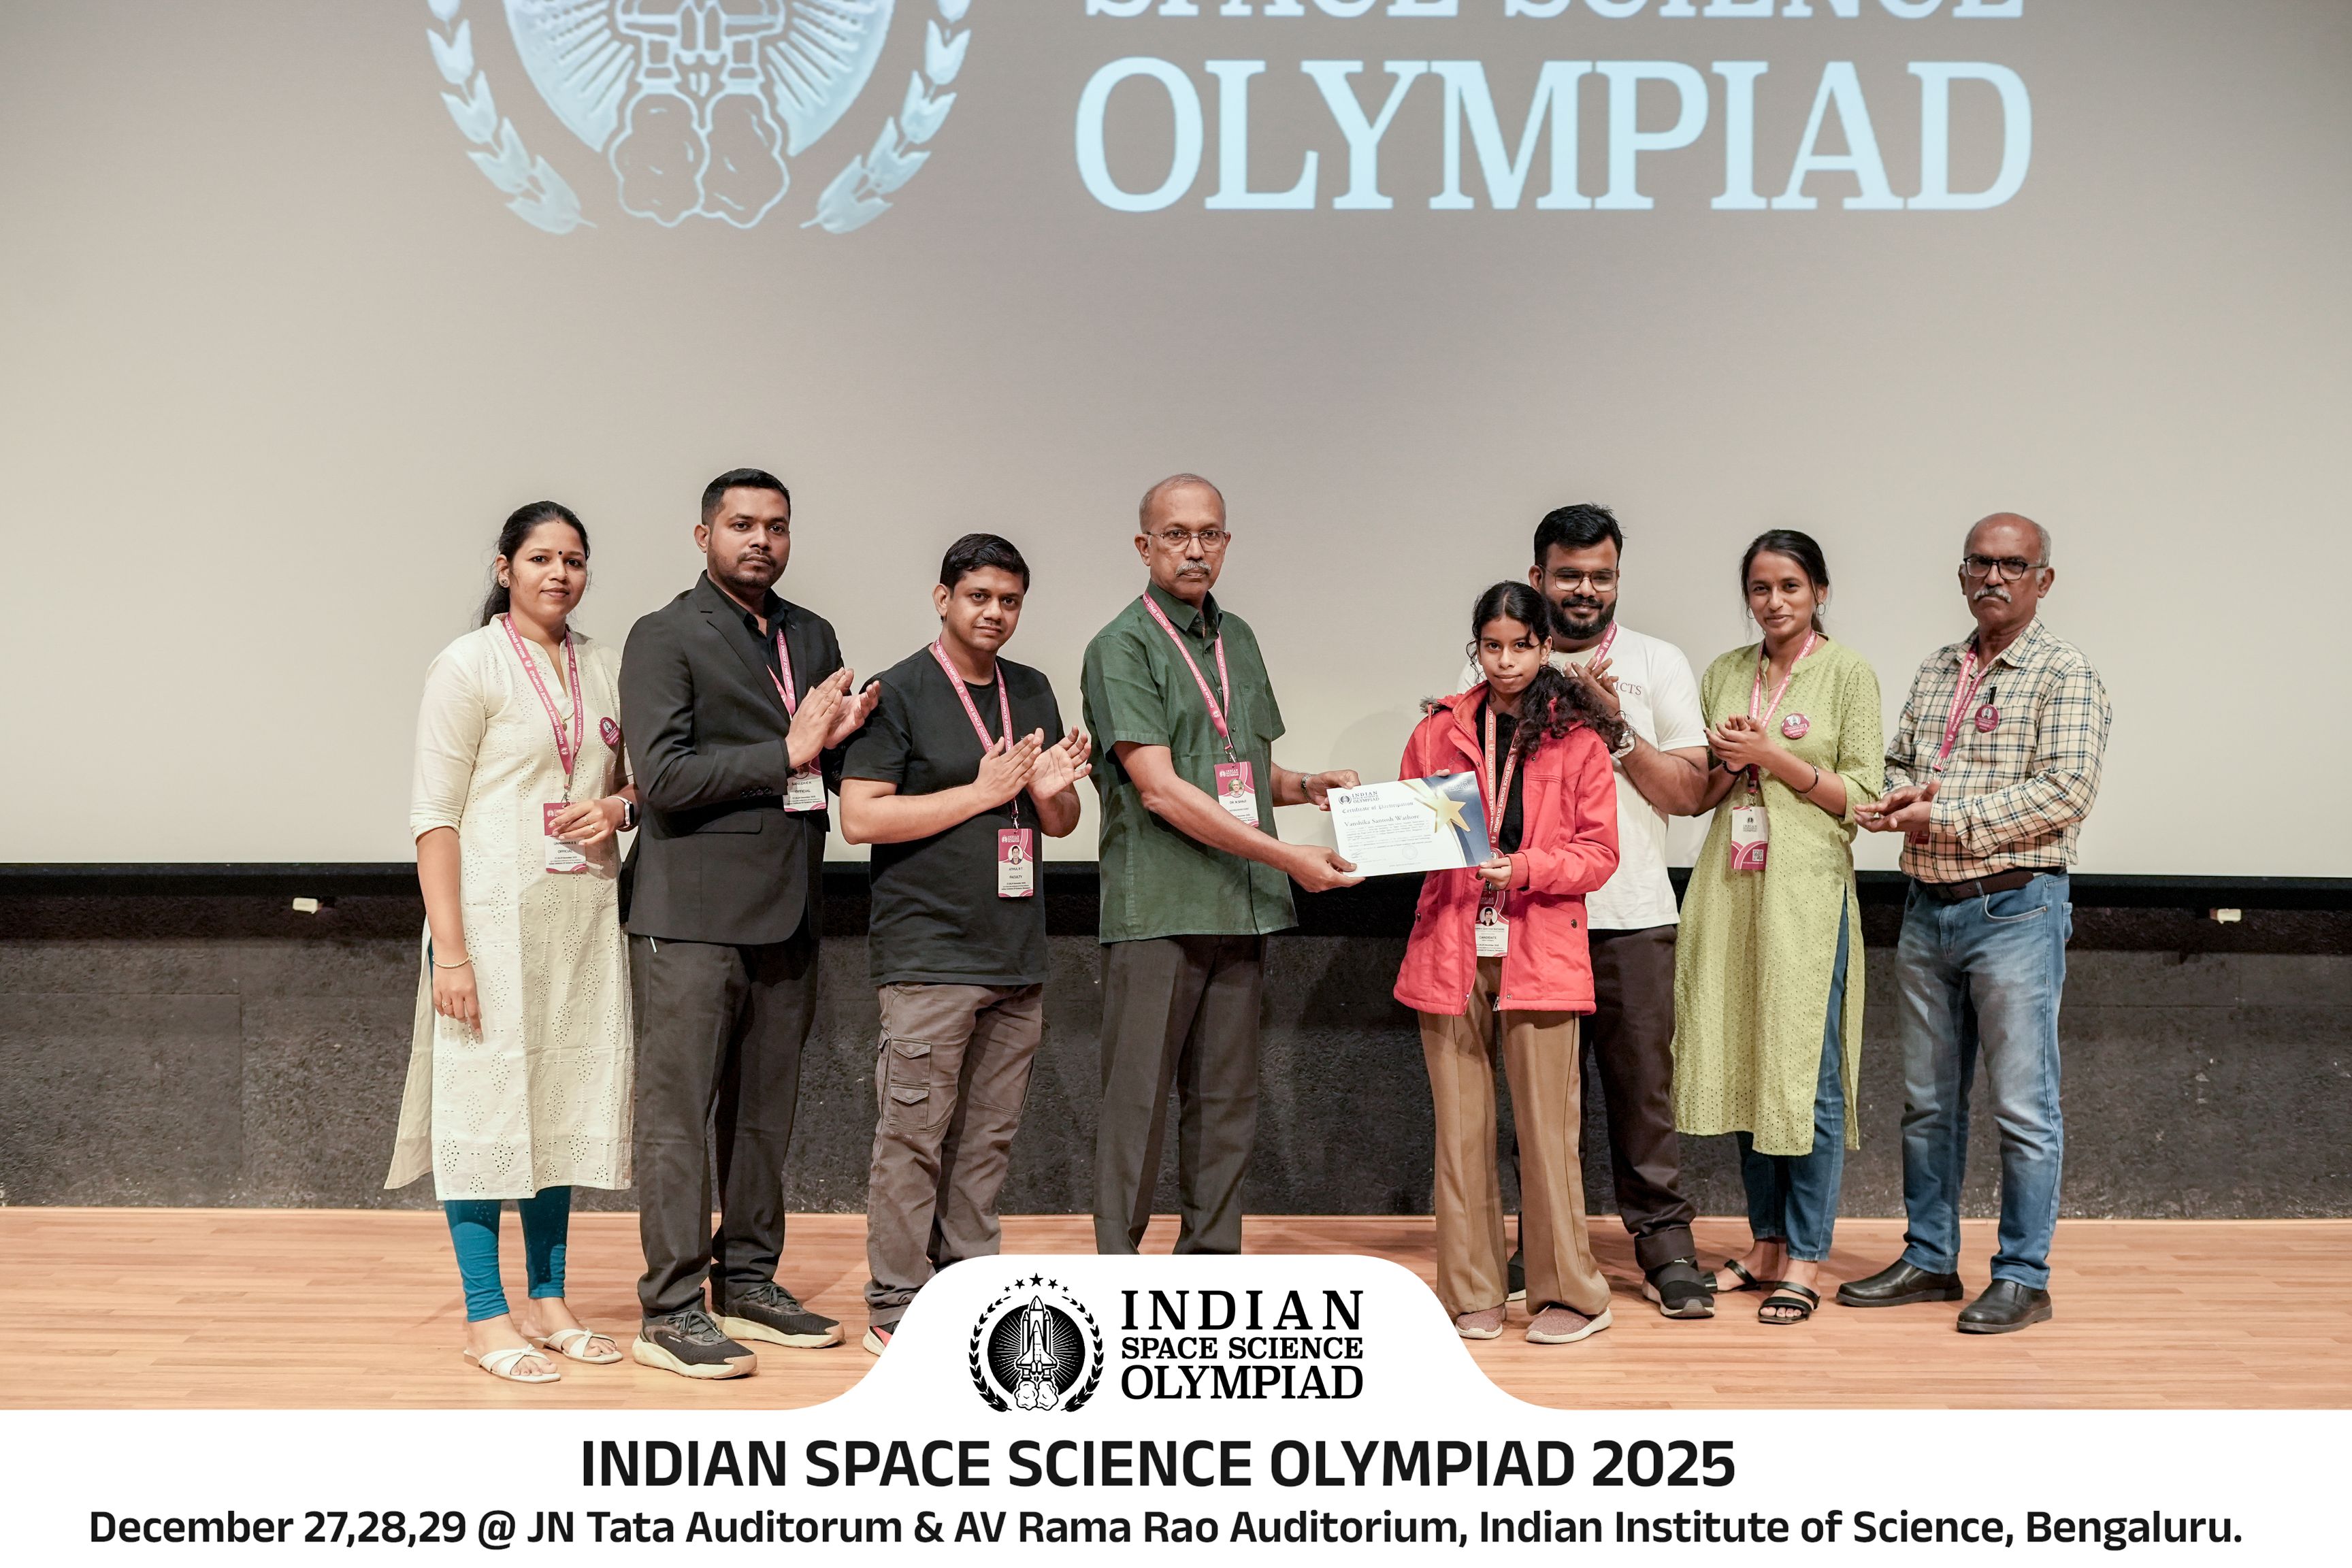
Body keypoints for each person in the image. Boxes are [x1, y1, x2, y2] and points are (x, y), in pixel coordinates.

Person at [618, 468, 877, 1379]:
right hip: (690, 915)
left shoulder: (813, 634)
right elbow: (663, 779)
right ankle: (670, 1308)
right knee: (678, 1121)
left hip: (790, 904)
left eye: (776, 525)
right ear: (705, 537)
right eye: (741, 525)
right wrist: (789, 749)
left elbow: (821, 766)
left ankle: (749, 1281)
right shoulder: (663, 635)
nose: (760, 539)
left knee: (766, 1116)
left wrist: (843, 744)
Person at [1081, 474, 1362, 1256]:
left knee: (1227, 1101)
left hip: (1240, 905)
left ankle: (1209, 1262)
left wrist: (1307, 787)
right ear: (1145, 546)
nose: (1195, 549)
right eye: (1176, 534)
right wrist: (1286, 855)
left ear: (1227, 543)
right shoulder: (1121, 645)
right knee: (1137, 1102)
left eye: (1209, 534)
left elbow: (1241, 769)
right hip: (1160, 909)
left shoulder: (1237, 638)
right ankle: (1118, 1268)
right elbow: (1161, 790)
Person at [1843, 514, 2110, 1334]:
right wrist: (1896, 794)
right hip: (1928, 908)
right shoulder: (1938, 668)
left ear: (2043, 580)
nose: (1994, 577)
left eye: (2013, 565)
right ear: (1962, 574)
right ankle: (1929, 1259)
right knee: (1927, 1105)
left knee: (2024, 1109)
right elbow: (1903, 760)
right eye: (1981, 563)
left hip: (2016, 909)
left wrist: (1943, 813)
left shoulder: (2065, 674)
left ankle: (2025, 1277)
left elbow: (2066, 792)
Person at [388, 501, 636, 1384]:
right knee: (481, 1112)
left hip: (578, 927)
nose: (559, 573)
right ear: (505, 569)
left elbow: (635, 782)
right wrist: (450, 952)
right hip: (488, 930)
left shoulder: (603, 666)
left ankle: (550, 1301)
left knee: (557, 1106)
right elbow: (433, 816)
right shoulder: (467, 664)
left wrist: (619, 808)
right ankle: (485, 1315)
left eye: (574, 559)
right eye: (540, 558)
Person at [1452, 504, 1715, 1319]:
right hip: (1527, 919)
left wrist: (1614, 725)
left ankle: (1665, 1248)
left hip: (1629, 912)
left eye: (1602, 576)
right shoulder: (1501, 660)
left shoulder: (1657, 661)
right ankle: (1544, 1248)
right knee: (1540, 1104)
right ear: (1539, 577)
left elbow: (1690, 793)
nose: (1586, 590)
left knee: (1644, 1094)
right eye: (1569, 575)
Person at [839, 534, 1091, 1354]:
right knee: (912, 1137)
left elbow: (1059, 821)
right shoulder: (900, 692)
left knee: (987, 1140)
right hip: (929, 955)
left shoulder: (1032, 688)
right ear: (943, 598)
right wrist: (981, 793)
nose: (995, 613)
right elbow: (861, 817)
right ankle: (896, 1301)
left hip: (1014, 952)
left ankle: (967, 1284)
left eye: (1009, 601)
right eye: (979, 596)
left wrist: (1051, 794)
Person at [1399, 583, 1625, 1344]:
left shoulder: (1579, 739)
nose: (1505, 662)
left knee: (1547, 1134)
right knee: (1460, 1134)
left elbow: (1599, 854)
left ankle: (1572, 1295)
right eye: (1491, 647)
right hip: (1451, 943)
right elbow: (1412, 827)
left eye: (1520, 647)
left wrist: (1525, 868)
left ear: (1545, 646)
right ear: (1476, 647)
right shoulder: (1437, 731)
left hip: (1538, 944)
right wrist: (1373, 828)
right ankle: (1473, 1290)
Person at [1672, 530, 1882, 1327]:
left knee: (1807, 1077)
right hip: (1732, 888)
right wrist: (1733, 761)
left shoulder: (1848, 673)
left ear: (1820, 591)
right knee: (1747, 1061)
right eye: (1760, 588)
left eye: (1791, 586)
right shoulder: (1726, 672)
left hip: (1806, 895)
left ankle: (1805, 1256)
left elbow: (1864, 798)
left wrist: (1774, 755)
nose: (1774, 601)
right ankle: (1764, 1246)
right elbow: (1703, 791)